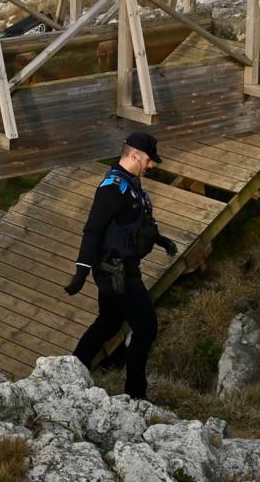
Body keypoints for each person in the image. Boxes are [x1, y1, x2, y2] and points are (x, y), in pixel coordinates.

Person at [64, 130, 177, 400]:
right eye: (149, 160)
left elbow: (133, 224)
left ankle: (70, 371)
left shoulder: (130, 183)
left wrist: (162, 241)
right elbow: (93, 230)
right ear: (135, 155)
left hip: (120, 269)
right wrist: (81, 271)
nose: (151, 165)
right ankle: (136, 394)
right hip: (117, 272)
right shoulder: (112, 189)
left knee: (109, 321)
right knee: (146, 327)